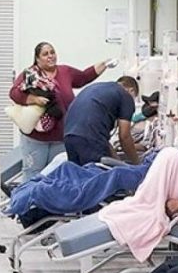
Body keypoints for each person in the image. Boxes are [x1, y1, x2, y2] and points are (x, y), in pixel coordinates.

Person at [9, 42, 112, 179]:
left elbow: (84, 77)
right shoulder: (30, 74)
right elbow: (14, 93)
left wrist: (105, 64)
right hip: (36, 139)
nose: (50, 56)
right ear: (37, 58)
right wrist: (33, 99)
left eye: (52, 52)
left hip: (60, 138)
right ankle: (28, 194)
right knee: (33, 173)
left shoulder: (65, 72)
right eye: (45, 54)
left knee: (57, 174)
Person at [64, 76, 139, 166]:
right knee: (96, 172)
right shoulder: (125, 96)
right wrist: (137, 164)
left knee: (78, 172)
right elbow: (124, 137)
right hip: (89, 138)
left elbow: (102, 140)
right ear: (131, 90)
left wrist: (119, 162)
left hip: (69, 135)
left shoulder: (99, 88)